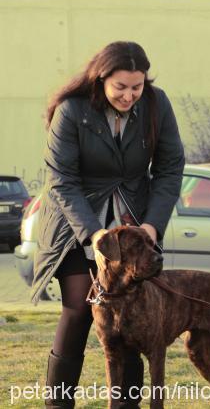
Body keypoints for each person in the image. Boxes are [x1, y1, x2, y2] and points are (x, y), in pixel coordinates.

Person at [31, 41, 185, 408]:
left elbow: (170, 168)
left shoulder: (157, 104)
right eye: (120, 87)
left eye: (137, 86)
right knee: (79, 304)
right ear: (101, 79)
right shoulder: (72, 110)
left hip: (133, 220)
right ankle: (57, 403)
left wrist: (152, 226)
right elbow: (62, 179)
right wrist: (93, 233)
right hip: (74, 221)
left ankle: (126, 404)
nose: (129, 95)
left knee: (130, 307)